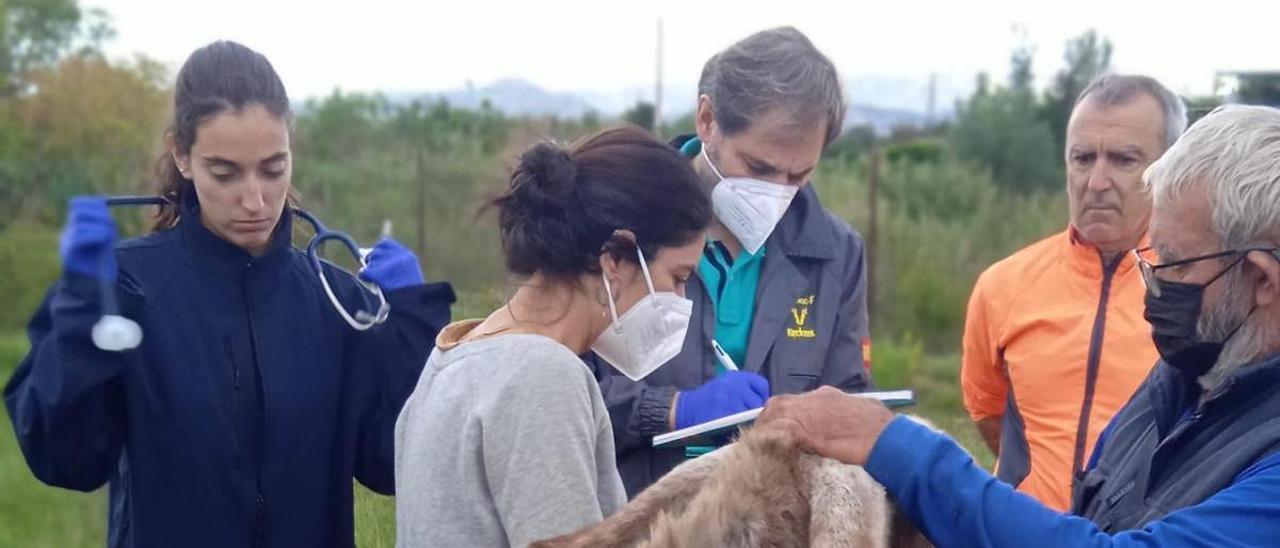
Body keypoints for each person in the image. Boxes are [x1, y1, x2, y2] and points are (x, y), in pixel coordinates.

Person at [759, 104, 1280, 546]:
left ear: (1260, 279)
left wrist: (897, 446)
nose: (1152, 290)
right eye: (1150, 258)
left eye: (1175, 264)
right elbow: (1085, 510)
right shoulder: (1185, 377)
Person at [3, 41, 454, 548]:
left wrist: (415, 324)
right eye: (225, 172)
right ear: (182, 154)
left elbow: (389, 467)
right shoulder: (126, 290)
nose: (255, 199)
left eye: (272, 168)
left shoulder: (338, 303)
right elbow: (66, 460)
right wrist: (80, 318)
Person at [394, 126, 712, 547]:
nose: (680, 299)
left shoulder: (454, 357)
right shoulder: (543, 377)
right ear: (615, 258)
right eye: (678, 277)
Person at [591, 26, 873, 498]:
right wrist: (674, 410)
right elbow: (558, 389)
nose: (777, 192)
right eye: (759, 168)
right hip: (636, 514)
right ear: (707, 119)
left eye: (799, 174)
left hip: (770, 516)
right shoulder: (615, 213)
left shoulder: (835, 254)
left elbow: (850, 398)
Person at [961, 74, 1187, 510]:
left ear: (1170, 166)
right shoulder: (1002, 286)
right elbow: (990, 414)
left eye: (1123, 160)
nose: (1097, 181)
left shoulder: (1202, 289)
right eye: (1083, 158)